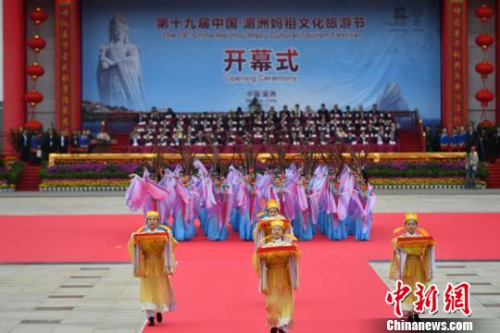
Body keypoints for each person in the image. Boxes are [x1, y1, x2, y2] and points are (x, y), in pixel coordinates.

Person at [128, 211, 177, 326]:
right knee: (147, 288)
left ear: (158, 221)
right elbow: (134, 247)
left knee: (159, 286)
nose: (152, 222)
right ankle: (150, 315)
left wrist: (169, 237)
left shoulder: (163, 234)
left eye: (154, 219)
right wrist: (133, 240)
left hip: (159, 264)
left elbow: (172, 245)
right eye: (149, 220)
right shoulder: (141, 235)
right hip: (146, 265)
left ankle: (159, 310)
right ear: (146, 221)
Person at [389, 213, 435, 322]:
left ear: (416, 225)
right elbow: (395, 244)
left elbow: (427, 247)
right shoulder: (400, 238)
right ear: (405, 225)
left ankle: (416, 313)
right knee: (408, 288)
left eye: (413, 224)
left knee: (418, 288)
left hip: (418, 265)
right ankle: (410, 313)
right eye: (409, 224)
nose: (411, 226)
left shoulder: (421, 238)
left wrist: (429, 245)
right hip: (407, 265)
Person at [255, 219, 300, 333]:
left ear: (282, 231)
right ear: (271, 232)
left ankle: (284, 325)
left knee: (285, 300)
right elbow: (260, 259)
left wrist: (294, 253)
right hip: (271, 275)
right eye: (274, 229)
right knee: (273, 300)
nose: (276, 232)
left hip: (284, 275)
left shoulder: (288, 245)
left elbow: (295, 258)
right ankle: (274, 324)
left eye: (279, 230)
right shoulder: (266, 245)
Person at [98, 14, 147, 110]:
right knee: (111, 105)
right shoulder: (107, 48)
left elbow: (134, 61)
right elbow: (102, 64)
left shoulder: (130, 47)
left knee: (125, 105)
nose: (117, 33)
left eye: (120, 30)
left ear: (125, 31)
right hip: (110, 82)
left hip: (124, 82)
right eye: (115, 30)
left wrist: (113, 63)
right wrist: (102, 59)